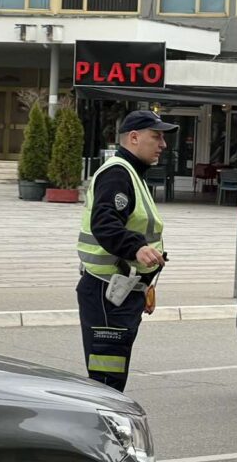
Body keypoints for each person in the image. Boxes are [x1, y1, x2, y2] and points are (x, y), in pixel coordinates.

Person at [75, 110, 176, 392]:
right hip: (108, 292)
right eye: (156, 137)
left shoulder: (131, 173)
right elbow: (104, 223)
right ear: (133, 138)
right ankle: (105, 421)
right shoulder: (117, 173)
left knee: (111, 375)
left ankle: (106, 418)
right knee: (107, 380)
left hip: (120, 291)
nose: (163, 144)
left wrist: (144, 286)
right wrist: (136, 248)